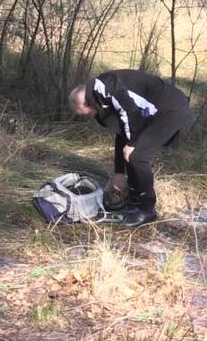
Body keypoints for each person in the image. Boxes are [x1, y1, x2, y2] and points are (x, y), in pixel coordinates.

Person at [68, 70, 191, 228]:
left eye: (84, 113)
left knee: (137, 156)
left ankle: (146, 210)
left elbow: (131, 112)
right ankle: (134, 202)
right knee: (131, 154)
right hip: (151, 113)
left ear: (85, 103)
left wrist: (132, 143)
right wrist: (119, 172)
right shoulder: (100, 100)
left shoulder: (107, 87)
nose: (88, 116)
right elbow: (121, 133)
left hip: (170, 108)